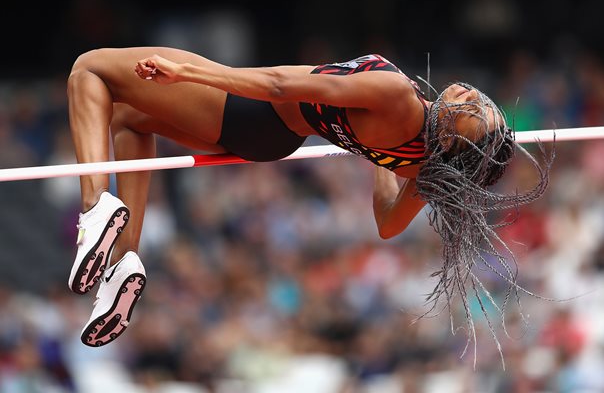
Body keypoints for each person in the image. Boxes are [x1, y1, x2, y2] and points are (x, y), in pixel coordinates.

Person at [67, 47, 550, 352]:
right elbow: (387, 222)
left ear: (452, 140)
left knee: (89, 70)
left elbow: (280, 84)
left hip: (252, 110)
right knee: (129, 119)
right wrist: (376, 160)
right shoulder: (418, 166)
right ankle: (122, 261)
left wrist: (190, 72)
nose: (472, 98)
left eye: (471, 113)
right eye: (482, 105)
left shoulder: (396, 95)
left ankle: (94, 208)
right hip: (273, 139)